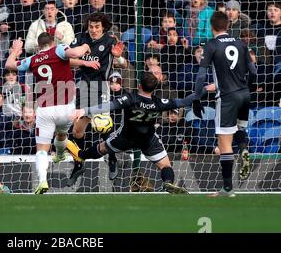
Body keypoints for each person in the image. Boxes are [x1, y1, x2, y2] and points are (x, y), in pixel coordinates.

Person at [66, 72, 195, 194]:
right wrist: (202, 92)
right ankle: (168, 182)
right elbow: (184, 102)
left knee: (102, 148)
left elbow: (108, 106)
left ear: (139, 85)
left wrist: (84, 110)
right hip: (148, 140)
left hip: (125, 137)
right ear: (154, 88)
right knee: (166, 165)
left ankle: (80, 154)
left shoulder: (129, 99)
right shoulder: (159, 102)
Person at [5, 32, 100, 194]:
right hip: (66, 108)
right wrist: (86, 47)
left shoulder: (32, 60)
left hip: (45, 110)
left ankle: (42, 181)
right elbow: (74, 53)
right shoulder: (59, 49)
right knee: (62, 135)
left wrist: (16, 50)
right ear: (53, 42)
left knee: (42, 148)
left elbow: (9, 65)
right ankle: (61, 153)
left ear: (38, 45)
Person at [192, 11, 257, 197]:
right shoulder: (241, 43)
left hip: (227, 98)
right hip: (244, 94)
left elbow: (202, 75)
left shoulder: (211, 45)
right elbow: (253, 71)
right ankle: (244, 149)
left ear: (212, 27)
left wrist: (197, 97)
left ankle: (227, 188)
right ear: (228, 26)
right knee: (239, 130)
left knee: (224, 143)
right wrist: (248, 89)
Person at [69, 12, 124, 182]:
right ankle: (78, 164)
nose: (93, 30)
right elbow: (67, 59)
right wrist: (84, 62)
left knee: (102, 126)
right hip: (83, 88)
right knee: (77, 131)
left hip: (101, 87)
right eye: (91, 26)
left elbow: (124, 63)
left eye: (97, 27)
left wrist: (118, 57)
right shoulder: (80, 38)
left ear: (103, 27)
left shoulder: (110, 40)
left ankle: (112, 159)